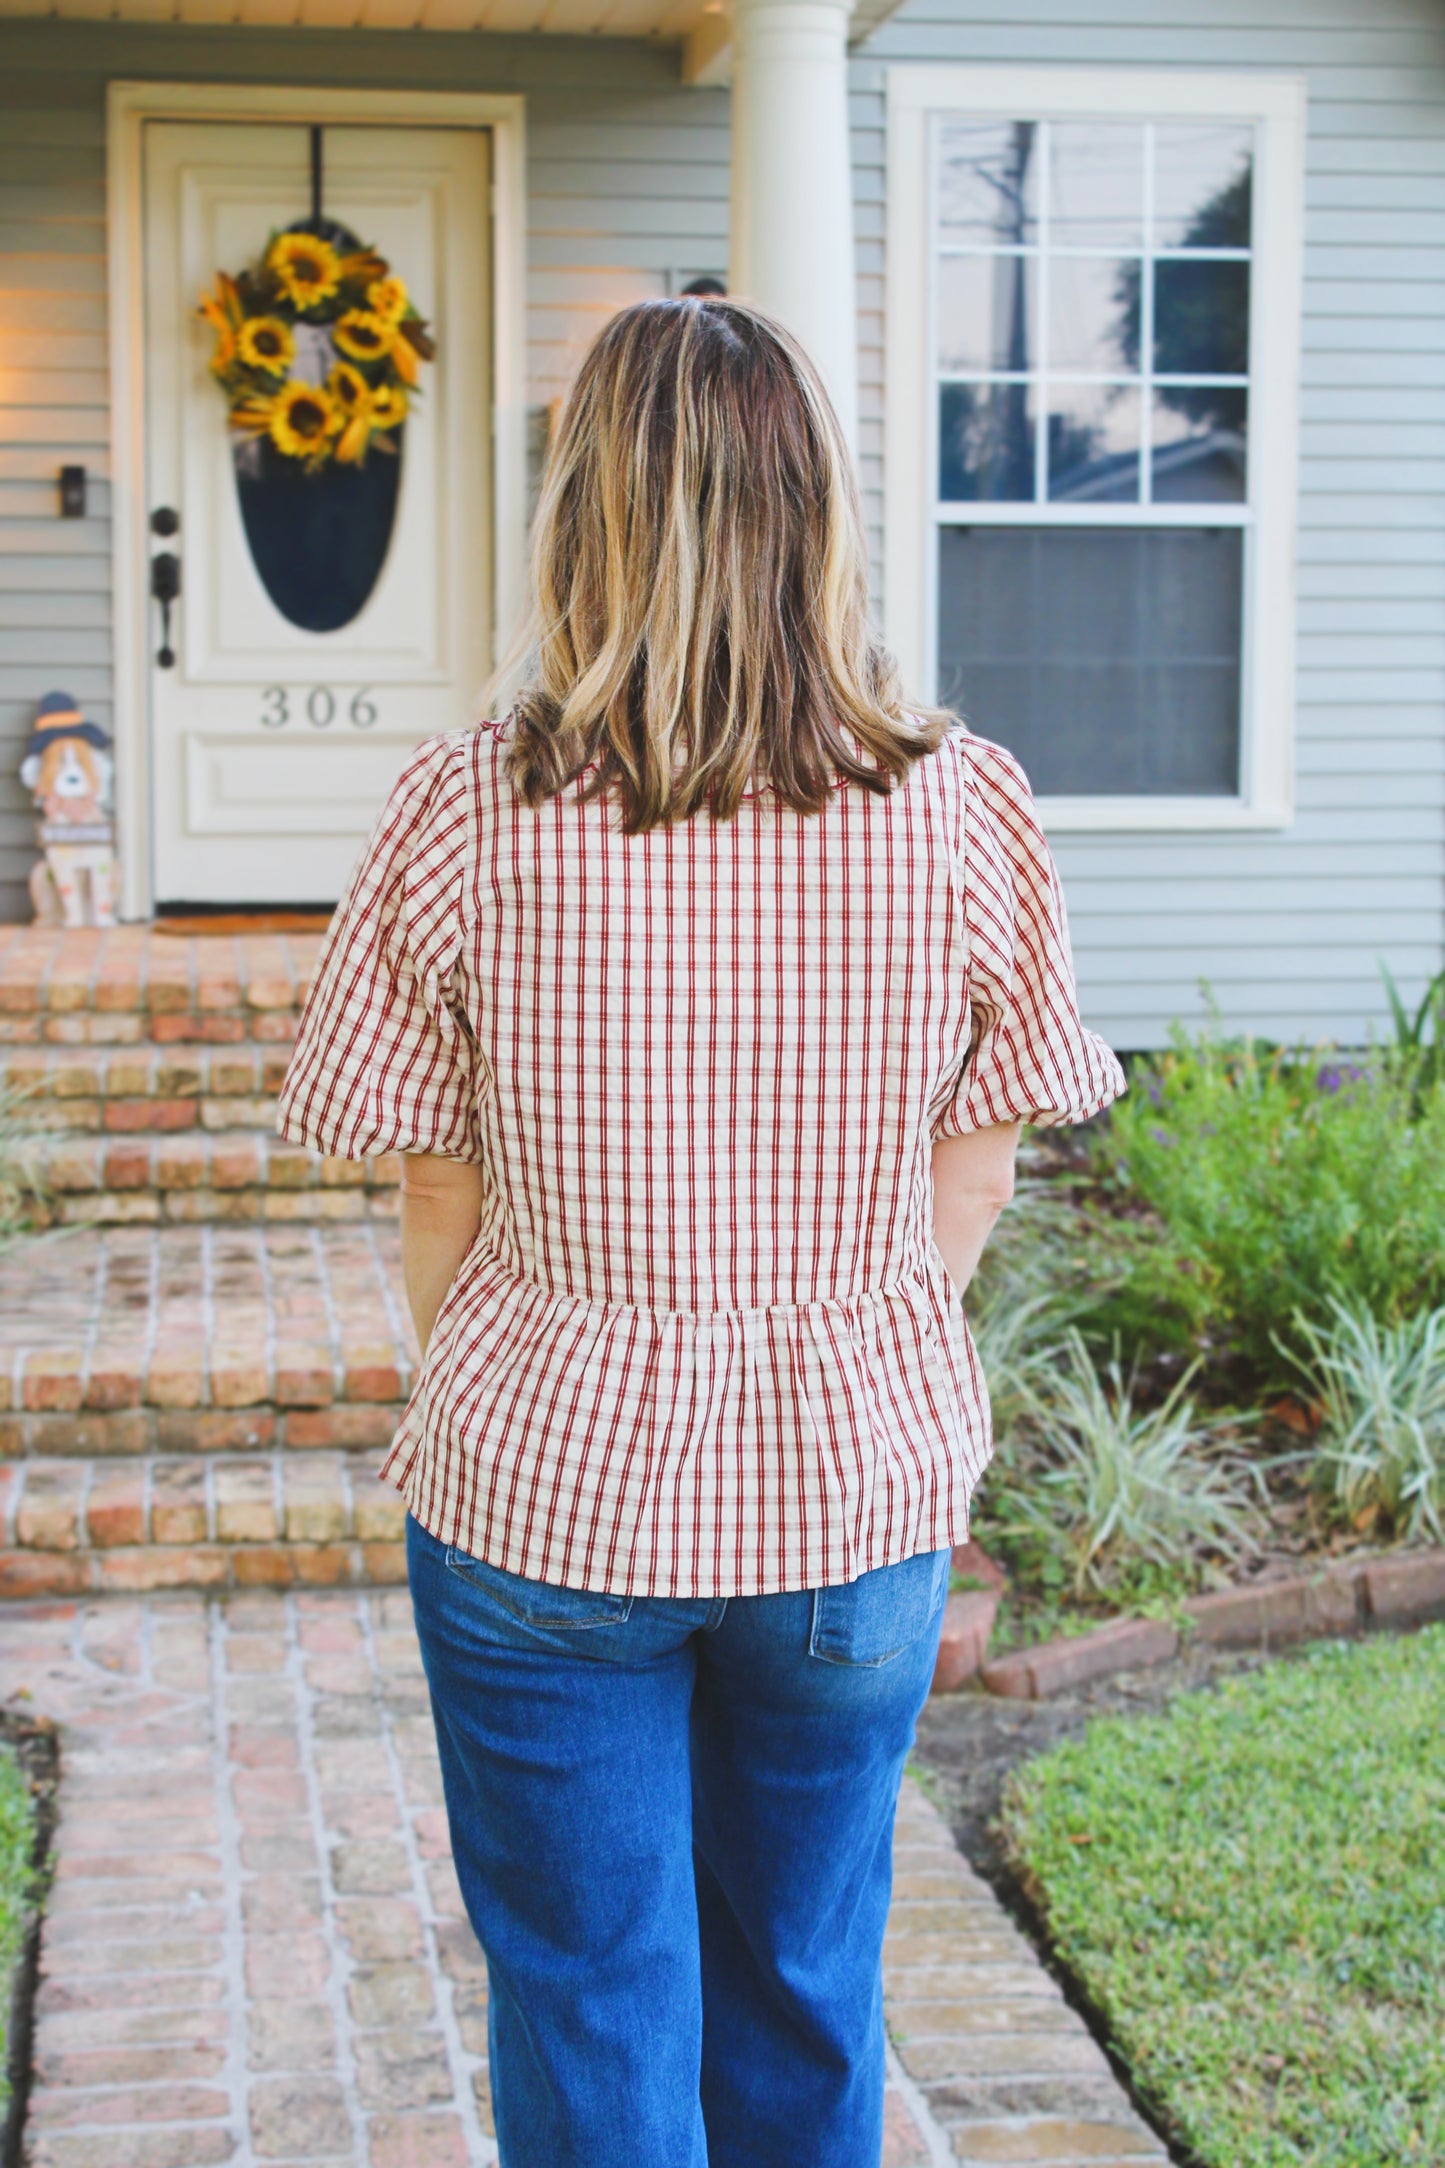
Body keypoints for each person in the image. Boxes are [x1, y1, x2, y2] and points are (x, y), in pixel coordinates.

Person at [277, 296, 1124, 2168]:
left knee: (587, 1995)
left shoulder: (465, 804)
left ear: (585, 510)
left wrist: (528, 1374)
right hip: (851, 1498)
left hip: (543, 1488)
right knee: (805, 1983)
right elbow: (976, 1168)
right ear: (817, 511)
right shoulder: (960, 804)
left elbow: (433, 1183)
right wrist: (841, 1335)